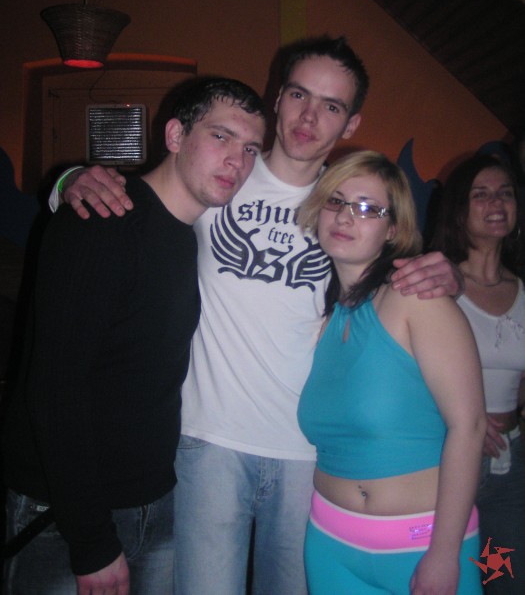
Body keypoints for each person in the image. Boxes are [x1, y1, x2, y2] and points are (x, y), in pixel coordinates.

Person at [54, 36, 461, 594]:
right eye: (299, 95)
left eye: (331, 106)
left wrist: (448, 274)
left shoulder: (345, 205)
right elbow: (140, 199)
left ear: (351, 122)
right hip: (207, 441)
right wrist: (68, 181)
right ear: (278, 97)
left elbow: (397, 276)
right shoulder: (222, 175)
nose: (309, 116)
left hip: (306, 451)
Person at [1, 77, 266, 595]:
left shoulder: (193, 236)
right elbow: (54, 389)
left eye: (251, 148)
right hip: (65, 515)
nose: (237, 160)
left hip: (154, 503)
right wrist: (91, 540)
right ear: (175, 135)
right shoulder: (102, 218)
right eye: (221, 136)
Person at [297, 150, 486, 594]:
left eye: (367, 208)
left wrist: (445, 554)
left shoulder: (416, 299)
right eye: (336, 201)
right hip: (329, 544)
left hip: (421, 546)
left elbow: (470, 426)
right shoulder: (325, 321)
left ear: (394, 229)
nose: (346, 216)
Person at [431, 154, 525, 594]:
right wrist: (465, 418)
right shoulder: (438, 284)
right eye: (481, 194)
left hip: (510, 459)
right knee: (451, 574)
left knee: (503, 578)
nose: (497, 203)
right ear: (459, 209)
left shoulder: (522, 290)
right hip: (448, 456)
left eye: (505, 193)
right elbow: (406, 372)